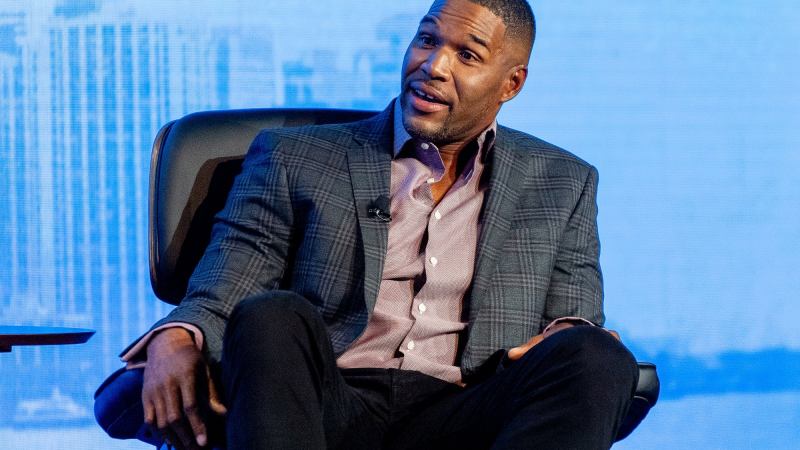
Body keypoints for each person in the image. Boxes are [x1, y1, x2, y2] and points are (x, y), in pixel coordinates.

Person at [122, 0, 639, 448]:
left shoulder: (562, 181)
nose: (433, 66)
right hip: (326, 400)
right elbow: (227, 287)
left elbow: (574, 315)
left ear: (511, 83)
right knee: (270, 314)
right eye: (427, 40)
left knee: (599, 354)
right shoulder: (294, 157)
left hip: (470, 407)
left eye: (467, 55)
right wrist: (177, 335)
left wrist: (569, 332)